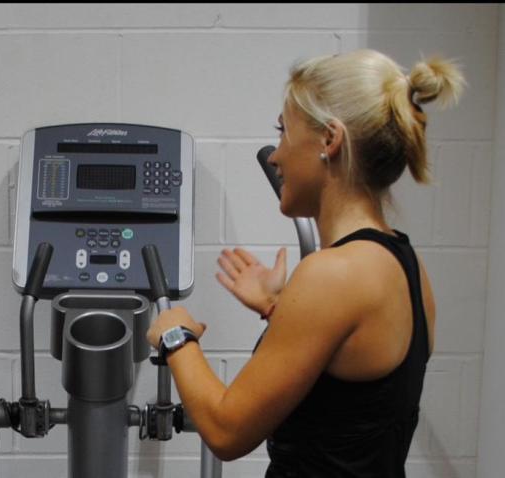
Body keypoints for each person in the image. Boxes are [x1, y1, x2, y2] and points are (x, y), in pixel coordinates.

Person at [146, 49, 465, 476]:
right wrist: (276, 308)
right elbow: (352, 404)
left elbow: (226, 431)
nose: (275, 156)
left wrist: (176, 336)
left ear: (329, 140)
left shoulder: (332, 274)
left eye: (283, 132)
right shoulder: (407, 264)